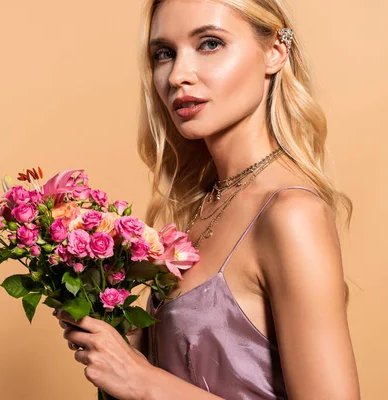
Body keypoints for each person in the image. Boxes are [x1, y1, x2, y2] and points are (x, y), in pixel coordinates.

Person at [53, 0, 360, 398]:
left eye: (210, 44)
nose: (178, 75)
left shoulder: (290, 213)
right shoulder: (200, 205)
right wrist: (115, 334)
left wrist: (146, 383)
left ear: (274, 53)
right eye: (164, 54)